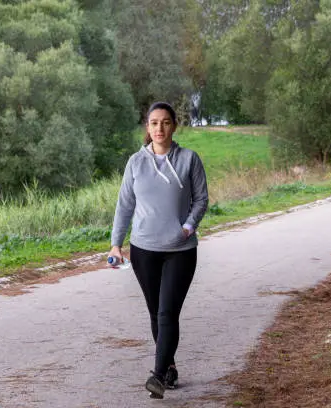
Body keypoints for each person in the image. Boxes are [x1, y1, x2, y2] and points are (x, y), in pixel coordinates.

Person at [109, 101, 209, 399]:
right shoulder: (135, 163)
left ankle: (157, 376)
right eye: (154, 123)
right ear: (147, 127)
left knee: (167, 313)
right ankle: (170, 367)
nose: (159, 128)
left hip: (180, 251)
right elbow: (124, 205)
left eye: (165, 122)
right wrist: (116, 243)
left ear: (173, 126)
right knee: (156, 313)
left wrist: (188, 227)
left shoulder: (189, 159)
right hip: (144, 250)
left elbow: (201, 200)